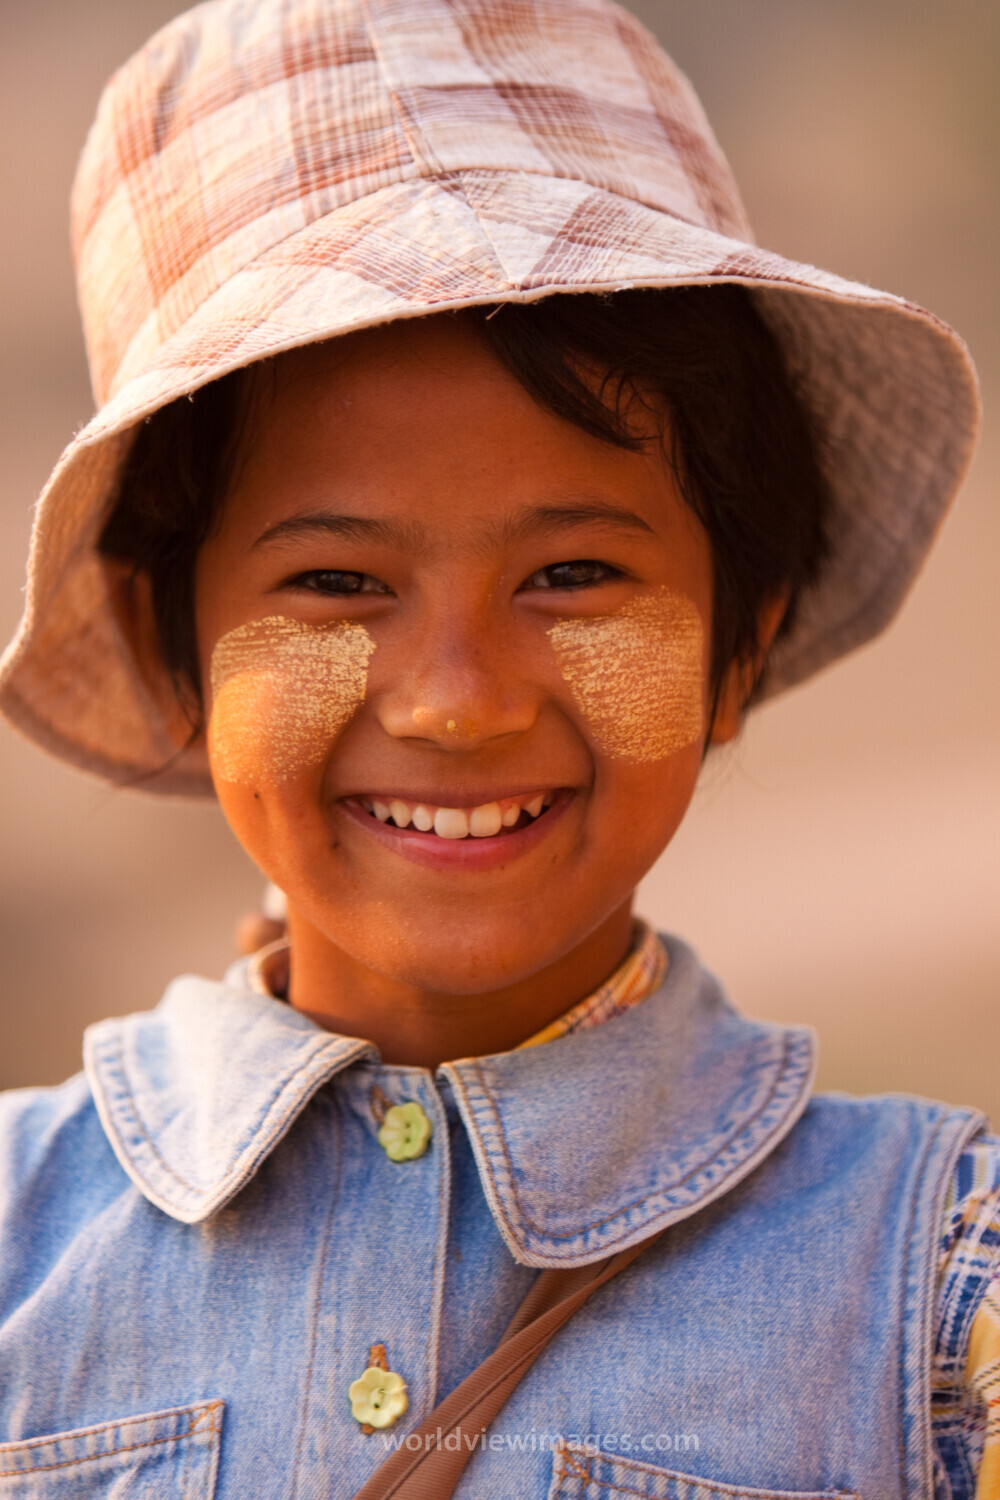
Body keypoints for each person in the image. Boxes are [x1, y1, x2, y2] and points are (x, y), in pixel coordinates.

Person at [0, 1, 995, 1496]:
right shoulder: (18, 1241)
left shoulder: (940, 1283)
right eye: (335, 584)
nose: (456, 702)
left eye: (573, 576)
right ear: (170, 647)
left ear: (737, 639)